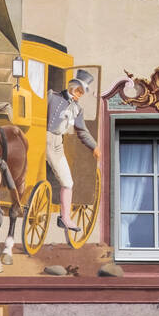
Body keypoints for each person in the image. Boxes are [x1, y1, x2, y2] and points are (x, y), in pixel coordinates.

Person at [46, 69, 100, 246]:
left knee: (68, 182)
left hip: (57, 144)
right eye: (78, 91)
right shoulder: (52, 97)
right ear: (72, 87)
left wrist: (94, 146)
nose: (79, 95)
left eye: (81, 93)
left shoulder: (77, 109)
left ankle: (65, 218)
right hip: (44, 138)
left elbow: (82, 131)